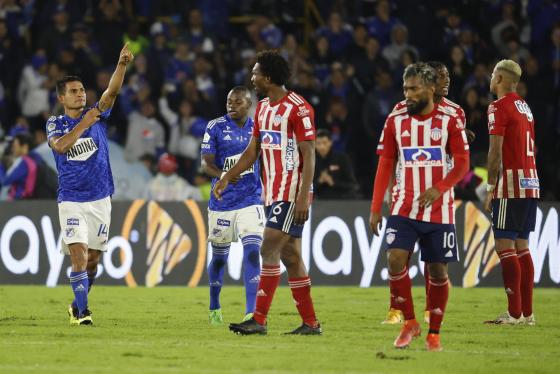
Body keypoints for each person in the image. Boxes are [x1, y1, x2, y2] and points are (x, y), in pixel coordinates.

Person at [214, 50, 321, 335]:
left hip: (291, 192)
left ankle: (258, 319)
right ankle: (311, 324)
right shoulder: (262, 108)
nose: (252, 77)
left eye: (256, 73)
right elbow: (253, 151)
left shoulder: (298, 108)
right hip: (272, 193)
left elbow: (308, 154)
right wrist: (227, 177)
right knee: (291, 257)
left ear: (269, 77)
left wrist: (302, 195)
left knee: (268, 246)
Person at [370, 63, 470, 351]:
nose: (407, 95)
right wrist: (376, 207)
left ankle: (434, 333)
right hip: (404, 206)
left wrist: (439, 188)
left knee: (438, 271)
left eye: (413, 89)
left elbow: (463, 164)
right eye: (405, 89)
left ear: (430, 88)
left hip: (440, 209)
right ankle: (410, 323)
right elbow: (385, 163)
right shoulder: (396, 118)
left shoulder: (451, 119)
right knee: (394, 260)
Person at [46, 43, 134, 325]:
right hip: (71, 199)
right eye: (73, 91)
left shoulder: (99, 114)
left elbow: (112, 92)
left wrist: (121, 64)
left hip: (99, 198)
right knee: (79, 255)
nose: (80, 94)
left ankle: (76, 304)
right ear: (62, 97)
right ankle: (83, 314)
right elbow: (60, 147)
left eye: (82, 90)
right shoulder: (56, 124)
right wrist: (84, 123)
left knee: (93, 261)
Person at [200, 86, 264, 325]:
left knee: (252, 251)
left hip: (250, 199)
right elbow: (206, 164)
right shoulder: (215, 126)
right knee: (219, 259)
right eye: (229, 101)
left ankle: (251, 312)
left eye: (237, 102)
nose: (231, 106)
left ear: (249, 105)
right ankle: (215, 304)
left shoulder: (258, 128)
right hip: (222, 202)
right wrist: (223, 174)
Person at [483, 60, 538, 325]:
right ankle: (527, 314)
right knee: (522, 247)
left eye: (494, 75)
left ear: (501, 79)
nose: (490, 78)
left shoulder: (498, 107)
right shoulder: (524, 107)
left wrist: (491, 187)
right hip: (531, 182)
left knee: (503, 245)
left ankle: (514, 313)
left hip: (511, 184)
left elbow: (495, 151)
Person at [314, 129, 359, 199]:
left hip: (340, 200)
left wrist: (334, 183)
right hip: (318, 201)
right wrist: (319, 181)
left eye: (324, 143)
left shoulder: (342, 158)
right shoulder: (311, 161)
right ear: (314, 144)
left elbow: (353, 185)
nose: (322, 147)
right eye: (318, 143)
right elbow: (305, 189)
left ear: (330, 142)